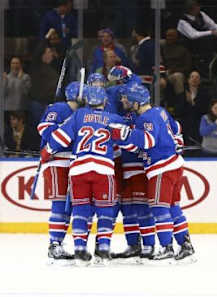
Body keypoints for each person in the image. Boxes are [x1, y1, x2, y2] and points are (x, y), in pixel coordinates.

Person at [40, 86, 125, 265]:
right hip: (103, 169)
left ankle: (79, 249)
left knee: (80, 208)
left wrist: (48, 150)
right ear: (104, 101)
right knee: (105, 209)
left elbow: (59, 138)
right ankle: (103, 248)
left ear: (87, 100)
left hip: (78, 169)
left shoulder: (78, 116)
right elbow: (128, 143)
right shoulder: (113, 118)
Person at [110, 84, 195, 262]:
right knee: (172, 206)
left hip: (161, 167)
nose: (125, 101)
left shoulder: (144, 118)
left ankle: (167, 247)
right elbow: (177, 128)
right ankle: (186, 245)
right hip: (175, 164)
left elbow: (148, 141)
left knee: (159, 207)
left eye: (128, 98)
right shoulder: (160, 111)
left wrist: (126, 133)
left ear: (136, 101)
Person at [36, 81, 81, 262]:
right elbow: (45, 130)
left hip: (71, 161)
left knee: (67, 206)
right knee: (59, 203)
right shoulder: (58, 108)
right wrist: (66, 129)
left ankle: (59, 243)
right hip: (56, 161)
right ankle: (54, 244)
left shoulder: (80, 113)